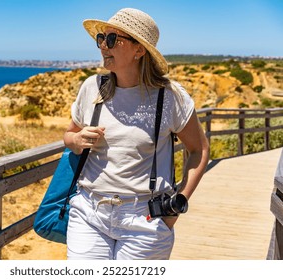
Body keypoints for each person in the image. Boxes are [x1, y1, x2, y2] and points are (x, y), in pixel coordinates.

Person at [63, 8, 209, 260]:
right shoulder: (92, 87)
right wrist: (76, 140)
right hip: (89, 213)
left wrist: (178, 203)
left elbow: (199, 150)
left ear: (139, 50)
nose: (102, 46)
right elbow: (69, 136)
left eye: (112, 40)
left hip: (146, 220)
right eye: (101, 38)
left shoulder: (170, 97)